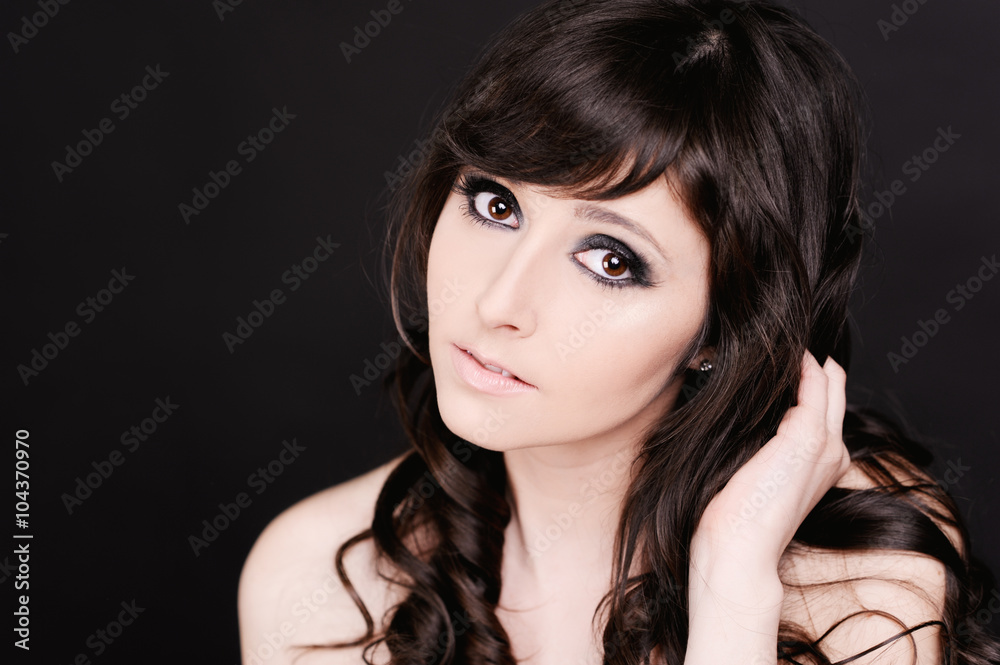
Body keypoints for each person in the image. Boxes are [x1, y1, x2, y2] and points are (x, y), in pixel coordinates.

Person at [237, 1, 1000, 663]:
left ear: (723, 328)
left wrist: (732, 590)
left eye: (609, 259)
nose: (500, 301)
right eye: (497, 205)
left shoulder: (858, 580)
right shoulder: (317, 579)